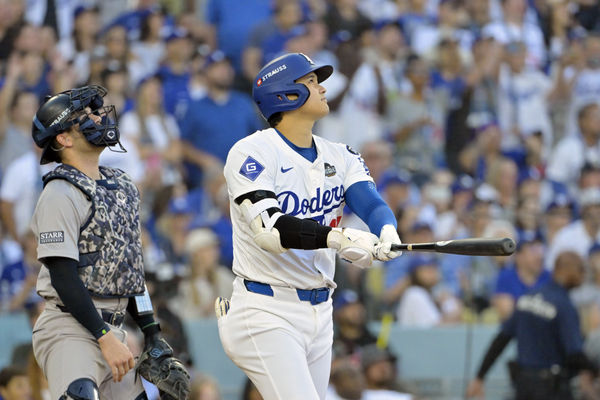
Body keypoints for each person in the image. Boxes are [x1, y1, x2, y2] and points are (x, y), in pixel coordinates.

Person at [216, 52, 403, 399]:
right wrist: (338, 238)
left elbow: (371, 203)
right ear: (285, 94)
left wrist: (386, 232)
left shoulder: (340, 154)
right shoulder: (251, 152)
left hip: (320, 309)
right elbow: (271, 231)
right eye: (311, 81)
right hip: (266, 309)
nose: (322, 88)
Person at [29, 85, 189, 399]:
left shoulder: (123, 186)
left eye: (96, 110)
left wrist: (151, 332)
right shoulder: (58, 193)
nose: (98, 116)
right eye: (85, 115)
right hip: (70, 327)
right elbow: (63, 276)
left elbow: (131, 270)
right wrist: (104, 337)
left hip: (115, 331)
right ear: (63, 138)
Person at [467, 251, 598, 400]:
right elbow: (574, 355)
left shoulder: (527, 298)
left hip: (523, 386)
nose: (583, 275)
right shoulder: (564, 306)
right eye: (580, 270)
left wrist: (480, 376)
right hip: (551, 389)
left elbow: (501, 340)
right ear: (568, 271)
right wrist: (594, 369)